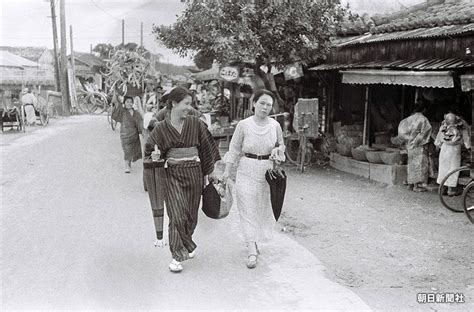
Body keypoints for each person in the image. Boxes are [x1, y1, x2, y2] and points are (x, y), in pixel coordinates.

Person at [144, 86, 221, 273]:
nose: (189, 107)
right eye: (186, 103)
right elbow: (149, 151)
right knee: (177, 214)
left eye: (190, 104)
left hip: (195, 173)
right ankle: (176, 256)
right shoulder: (161, 128)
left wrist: (211, 172)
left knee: (190, 216)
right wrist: (155, 157)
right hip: (172, 174)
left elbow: (207, 149)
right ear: (174, 103)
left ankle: (187, 243)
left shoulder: (196, 124)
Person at [222, 89, 286, 269]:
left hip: (267, 173)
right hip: (246, 170)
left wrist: (277, 151)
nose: (265, 107)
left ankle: (255, 240)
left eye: (269, 105)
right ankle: (251, 248)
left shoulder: (275, 126)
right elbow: (234, 149)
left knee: (262, 209)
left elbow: (281, 145)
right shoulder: (243, 125)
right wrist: (227, 171)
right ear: (254, 103)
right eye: (262, 103)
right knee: (247, 209)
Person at [396, 102, 432, 192]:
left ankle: (410, 184)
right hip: (418, 145)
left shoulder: (408, 119)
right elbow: (424, 134)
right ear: (424, 109)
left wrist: (408, 140)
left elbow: (401, 133)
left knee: (411, 164)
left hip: (409, 145)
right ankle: (416, 186)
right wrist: (417, 141)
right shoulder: (423, 119)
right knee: (418, 165)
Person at [435, 112, 471, 196]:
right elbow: (467, 141)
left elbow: (438, 141)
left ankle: (442, 189)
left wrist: (440, 146)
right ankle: (450, 190)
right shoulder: (460, 128)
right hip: (454, 150)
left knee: (443, 168)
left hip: (444, 149)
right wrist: (468, 148)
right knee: (452, 168)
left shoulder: (443, 127)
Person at [112, 96, 143, 173]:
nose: (129, 103)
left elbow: (140, 123)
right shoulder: (122, 111)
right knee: (127, 150)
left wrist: (142, 132)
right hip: (125, 134)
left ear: (132, 103)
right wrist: (117, 98)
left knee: (131, 150)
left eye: (130, 102)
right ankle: (126, 166)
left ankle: (128, 163)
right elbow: (116, 107)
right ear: (124, 103)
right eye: (127, 102)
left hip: (134, 135)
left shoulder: (136, 113)